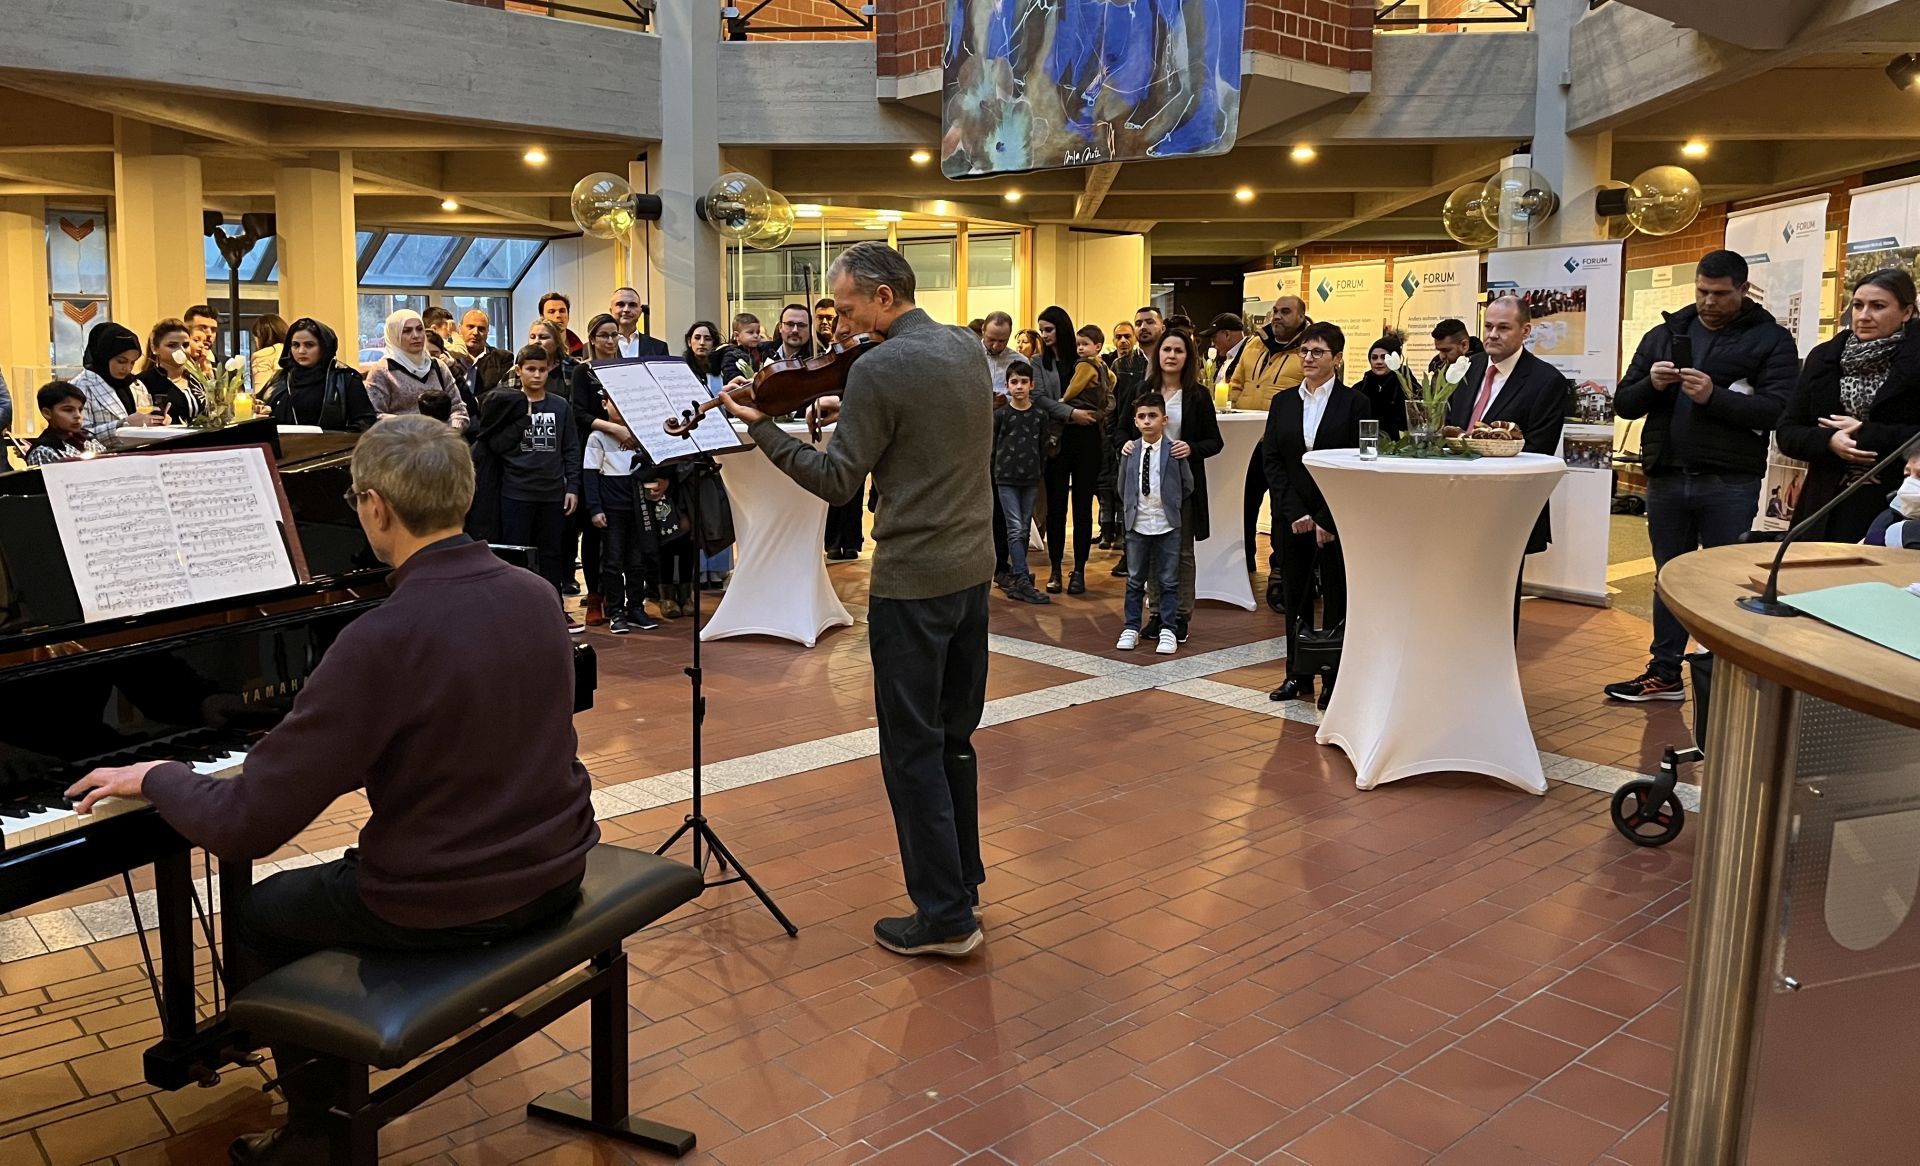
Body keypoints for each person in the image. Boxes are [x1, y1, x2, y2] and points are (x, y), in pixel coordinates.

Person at [65, 415, 598, 1166]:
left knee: (260, 913)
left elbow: (247, 825)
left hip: (448, 898)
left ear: (375, 507)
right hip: (556, 865)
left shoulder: (383, 635)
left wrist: (158, 774)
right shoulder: (536, 592)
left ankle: (317, 1129)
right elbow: (450, 723)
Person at [719, 241, 988, 959]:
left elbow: (837, 481)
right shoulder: (964, 347)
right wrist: (856, 405)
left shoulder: (879, 366)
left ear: (883, 298)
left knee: (910, 750)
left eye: (844, 309)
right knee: (954, 737)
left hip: (914, 580)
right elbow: (927, 425)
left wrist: (760, 426)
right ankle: (962, 881)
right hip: (971, 571)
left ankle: (945, 917)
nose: (837, 325)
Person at [1605, 250, 1799, 704]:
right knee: (1669, 576)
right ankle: (1664, 673)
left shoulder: (1770, 339)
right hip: (1667, 474)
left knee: (1721, 579)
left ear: (1743, 290)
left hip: (1729, 480)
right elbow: (1624, 403)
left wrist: (1714, 396)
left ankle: (1720, 673)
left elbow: (1777, 411)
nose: (1709, 301)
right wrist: (1651, 384)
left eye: (1720, 294)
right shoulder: (1666, 333)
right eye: (1702, 291)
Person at [1446, 295, 1575, 633]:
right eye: (1488, 326)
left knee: (1497, 599)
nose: (1492, 334)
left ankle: (1497, 662)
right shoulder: (1467, 368)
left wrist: (1479, 450)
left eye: (1503, 328)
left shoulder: (1546, 381)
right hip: (1453, 499)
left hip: (1504, 507)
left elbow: (1538, 451)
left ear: (1525, 331)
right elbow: (1449, 425)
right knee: (1452, 594)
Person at [1263, 322, 1372, 708]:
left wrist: (1326, 517)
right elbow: (1272, 459)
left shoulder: (1356, 403)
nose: (1308, 358)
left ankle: (1332, 677)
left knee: (1337, 596)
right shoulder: (1283, 402)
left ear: (1337, 358)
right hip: (1291, 517)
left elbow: (1361, 462)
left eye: (1317, 352)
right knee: (1296, 594)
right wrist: (1294, 510)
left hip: (1335, 519)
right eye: (1304, 351)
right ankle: (1297, 673)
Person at [1776, 268, 1920, 544]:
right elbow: (1787, 431)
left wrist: (1866, 434)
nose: (1864, 316)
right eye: (1858, 305)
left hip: (1898, 505)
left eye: (1878, 306)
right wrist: (1829, 441)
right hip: (1824, 504)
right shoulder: (1824, 358)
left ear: (1906, 312)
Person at [1116, 328, 1223, 641]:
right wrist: (1124, 444)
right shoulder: (1142, 389)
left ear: (1187, 357)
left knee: (1182, 553)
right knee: (1150, 551)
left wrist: (1191, 447)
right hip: (1145, 483)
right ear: (1158, 354)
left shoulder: (1197, 395)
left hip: (1181, 486)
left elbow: (1214, 441)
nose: (1172, 356)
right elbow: (1119, 429)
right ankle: (1157, 614)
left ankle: (1179, 616)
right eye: (1167, 350)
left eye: (1179, 350)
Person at [496, 344, 583, 623]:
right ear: (518, 371)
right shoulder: (509, 404)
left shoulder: (560, 405)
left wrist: (572, 487)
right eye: (530, 369)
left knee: (552, 555)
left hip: (552, 493)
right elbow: (496, 445)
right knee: (516, 554)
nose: (536, 375)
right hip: (515, 491)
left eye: (542, 370)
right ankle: (516, 612)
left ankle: (554, 609)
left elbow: (571, 449)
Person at [1232, 295, 1310, 595]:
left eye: (1285, 311)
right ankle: (1243, 560)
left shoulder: (1307, 349)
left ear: (1301, 316)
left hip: (1284, 443)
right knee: (1244, 502)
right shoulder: (1255, 344)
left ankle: (1281, 569)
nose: (1277, 316)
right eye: (1275, 311)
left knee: (1282, 507)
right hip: (1247, 441)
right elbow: (1236, 382)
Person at [1042, 323, 1116, 595]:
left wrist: (1068, 404)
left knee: (1083, 507)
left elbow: (1101, 391)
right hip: (1061, 441)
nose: (1046, 334)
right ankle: (1055, 568)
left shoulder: (1087, 364)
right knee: (1056, 508)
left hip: (1087, 438)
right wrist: (1068, 411)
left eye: (1050, 329)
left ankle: (1079, 570)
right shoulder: (1044, 362)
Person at [1116, 389, 1192, 655]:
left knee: (1169, 579)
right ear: (1135, 421)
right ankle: (1131, 627)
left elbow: (1187, 484)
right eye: (1142, 417)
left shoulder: (1174, 450)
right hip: (1138, 523)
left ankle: (1168, 629)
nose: (1147, 421)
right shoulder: (1130, 450)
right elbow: (1122, 485)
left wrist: (1172, 503)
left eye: (1152, 415)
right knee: (1135, 579)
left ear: (1164, 419)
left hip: (1167, 523)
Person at [584, 392, 661, 634]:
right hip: (612, 509)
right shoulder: (597, 437)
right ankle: (616, 611)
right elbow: (590, 475)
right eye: (613, 403)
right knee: (613, 562)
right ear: (604, 404)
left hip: (638, 507)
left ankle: (636, 607)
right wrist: (595, 509)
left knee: (637, 562)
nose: (618, 408)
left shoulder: (640, 433)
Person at [993, 360, 1051, 605]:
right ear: (1007, 385)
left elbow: (1043, 447)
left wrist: (1038, 471)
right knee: (1015, 527)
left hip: (1030, 479)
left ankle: (1019, 577)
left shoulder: (1039, 415)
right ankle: (1022, 577)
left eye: (1023, 382)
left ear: (1031, 385)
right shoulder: (1001, 415)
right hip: (1005, 479)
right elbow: (994, 447)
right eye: (1014, 382)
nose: (1019, 386)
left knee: (1024, 528)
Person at [257, 318, 377, 432]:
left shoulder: (345, 378)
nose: (301, 351)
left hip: (334, 445)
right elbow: (264, 412)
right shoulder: (280, 378)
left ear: (324, 347)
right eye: (296, 345)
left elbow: (365, 423)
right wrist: (259, 411)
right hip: (285, 445)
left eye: (309, 345)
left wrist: (331, 437)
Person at [366, 309, 469, 430]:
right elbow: (375, 416)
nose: (416, 335)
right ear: (394, 336)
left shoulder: (438, 367)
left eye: (420, 329)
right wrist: (417, 427)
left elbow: (459, 409)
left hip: (441, 437)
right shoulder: (382, 371)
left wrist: (450, 431)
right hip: (401, 439)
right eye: (406, 331)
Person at [72, 322, 165, 440]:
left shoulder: (135, 384)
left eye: (132, 362)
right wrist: (123, 424)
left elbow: (143, 422)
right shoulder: (81, 386)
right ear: (104, 355)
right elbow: (79, 436)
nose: (127, 368)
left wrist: (157, 421)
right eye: (121, 361)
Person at [137, 318, 205, 423]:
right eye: (172, 345)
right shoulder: (143, 382)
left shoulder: (196, 379)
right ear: (155, 348)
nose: (181, 350)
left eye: (185, 345)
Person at [24, 380, 107, 465]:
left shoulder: (90, 441)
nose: (78, 415)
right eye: (68, 410)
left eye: (80, 409)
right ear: (47, 413)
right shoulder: (43, 452)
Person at [1356, 336, 1410, 440]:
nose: (1379, 362)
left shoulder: (1409, 388)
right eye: (1374, 357)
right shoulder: (1360, 388)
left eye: (1384, 357)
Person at [1864, 452, 1920, 549]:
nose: (1910, 482)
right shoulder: (1890, 517)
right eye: (1907, 475)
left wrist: (1897, 534)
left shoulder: (1896, 531)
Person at [460, 309, 515, 406]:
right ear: (460, 329)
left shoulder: (502, 358)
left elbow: (501, 392)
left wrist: (474, 404)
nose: (475, 332)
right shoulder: (449, 358)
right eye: (470, 327)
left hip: (488, 411)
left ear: (487, 332)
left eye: (481, 329)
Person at [610, 286, 670, 357]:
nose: (626, 309)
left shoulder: (659, 347)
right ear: (611, 311)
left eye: (632, 305)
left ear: (640, 311)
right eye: (620, 304)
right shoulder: (600, 346)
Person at [981, 311, 1019, 397]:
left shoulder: (1020, 361)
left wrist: (1007, 400)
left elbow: (1028, 397)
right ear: (983, 330)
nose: (995, 346)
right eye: (991, 339)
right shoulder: (969, 357)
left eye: (1002, 341)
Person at [538, 291, 585, 358]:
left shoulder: (583, 350)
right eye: (551, 312)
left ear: (568, 315)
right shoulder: (533, 351)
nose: (558, 315)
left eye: (562, 311)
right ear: (542, 317)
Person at [249, 314, 288, 393]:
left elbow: (260, 391)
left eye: (255, 337)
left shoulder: (262, 355)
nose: (255, 341)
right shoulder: (293, 351)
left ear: (261, 336)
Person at [183, 303, 221, 384]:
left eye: (213, 330)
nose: (209, 334)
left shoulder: (228, 366)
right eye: (202, 328)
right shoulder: (174, 365)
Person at [1208, 313, 1249, 385]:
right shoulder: (1226, 356)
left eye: (1214, 337)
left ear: (1227, 335)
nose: (1212, 344)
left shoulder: (1249, 356)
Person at [684, 320, 723, 392]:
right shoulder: (683, 368)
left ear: (714, 344)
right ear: (689, 341)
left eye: (707, 339)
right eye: (697, 338)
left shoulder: (722, 368)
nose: (702, 343)